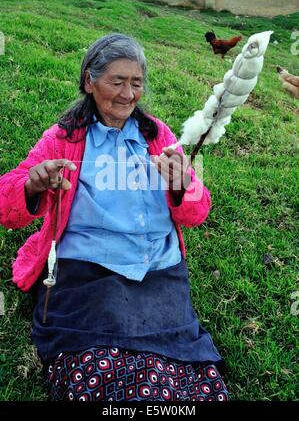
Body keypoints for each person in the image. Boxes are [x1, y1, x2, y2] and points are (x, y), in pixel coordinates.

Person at [0, 33, 228, 402]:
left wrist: (182, 185)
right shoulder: (65, 138)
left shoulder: (157, 135)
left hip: (157, 267)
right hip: (88, 268)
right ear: (90, 81)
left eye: (136, 83)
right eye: (117, 81)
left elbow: (197, 213)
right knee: (98, 367)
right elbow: (6, 203)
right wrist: (33, 182)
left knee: (183, 377)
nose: (127, 94)